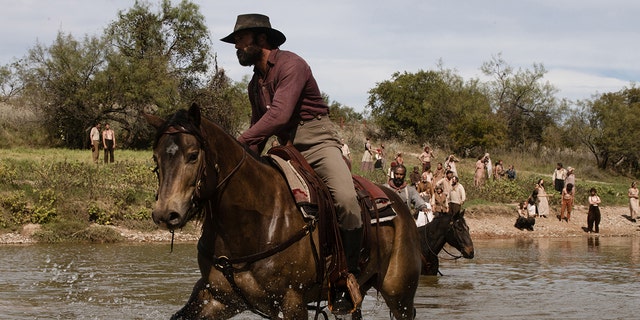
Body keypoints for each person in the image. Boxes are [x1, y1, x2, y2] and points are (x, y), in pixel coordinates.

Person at [221, 14, 361, 312]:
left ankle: (346, 275)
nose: (236, 46)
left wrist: (240, 141)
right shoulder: (254, 84)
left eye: (241, 40)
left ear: (261, 39)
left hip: (317, 141)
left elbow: (279, 116)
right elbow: (260, 127)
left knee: (348, 203)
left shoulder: (292, 64)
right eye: (235, 41)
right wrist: (241, 162)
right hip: (284, 146)